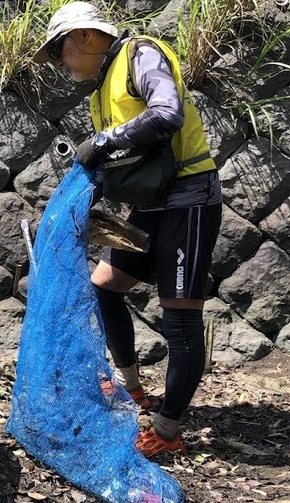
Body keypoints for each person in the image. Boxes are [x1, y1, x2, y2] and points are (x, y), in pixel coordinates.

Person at [35, 2, 222, 458]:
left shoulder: (140, 55)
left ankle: (167, 429)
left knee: (179, 320)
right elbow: (122, 156)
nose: (61, 63)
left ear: (84, 36)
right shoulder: (103, 85)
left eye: (60, 51)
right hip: (150, 204)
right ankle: (132, 386)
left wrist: (102, 140)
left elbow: (167, 114)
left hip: (188, 201)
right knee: (105, 286)